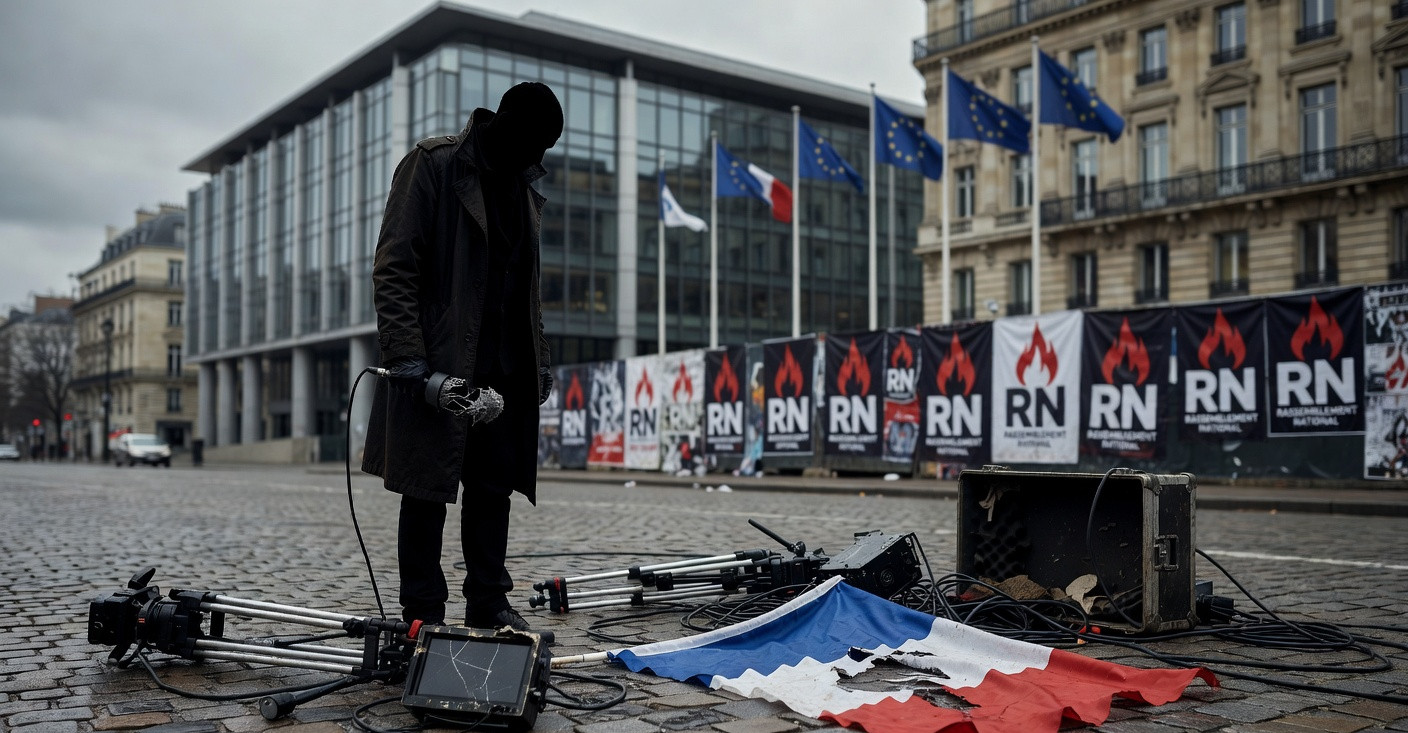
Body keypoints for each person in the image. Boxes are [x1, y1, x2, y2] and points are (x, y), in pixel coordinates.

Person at [362, 82, 562, 633]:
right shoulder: (434, 165)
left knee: (492, 491)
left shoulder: (524, 189)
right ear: (502, 124)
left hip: (504, 369)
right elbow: (394, 267)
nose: (535, 160)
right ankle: (422, 613)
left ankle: (488, 602)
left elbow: (528, 287)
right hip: (441, 362)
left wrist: (538, 357)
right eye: (531, 145)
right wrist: (407, 358)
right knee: (426, 492)